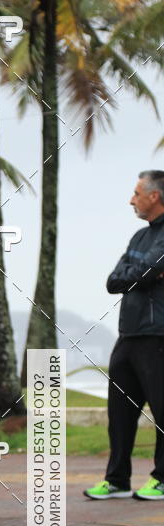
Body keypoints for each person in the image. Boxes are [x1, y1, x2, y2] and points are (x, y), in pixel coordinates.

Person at [85, 170, 164, 501]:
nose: (131, 200)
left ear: (154, 196)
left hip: (158, 336)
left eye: (136, 193)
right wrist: (142, 274)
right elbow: (113, 280)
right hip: (127, 335)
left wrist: (141, 273)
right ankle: (117, 479)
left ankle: (161, 478)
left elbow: (145, 271)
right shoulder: (138, 238)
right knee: (119, 413)